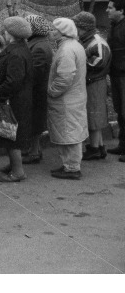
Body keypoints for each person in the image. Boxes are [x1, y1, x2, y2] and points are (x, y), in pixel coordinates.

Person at [0, 17, 34, 183]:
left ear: (12, 33)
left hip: (13, 100)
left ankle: (18, 171)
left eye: (5, 30)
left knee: (11, 134)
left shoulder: (16, 53)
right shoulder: (19, 49)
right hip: (17, 99)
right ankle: (14, 165)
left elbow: (14, 80)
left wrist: (0, 92)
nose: (3, 33)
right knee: (10, 133)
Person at [48, 18, 89, 179]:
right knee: (71, 131)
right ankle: (70, 165)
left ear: (63, 32)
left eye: (54, 30)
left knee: (69, 132)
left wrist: (52, 91)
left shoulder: (66, 50)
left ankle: (72, 168)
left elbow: (65, 77)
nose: (51, 32)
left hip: (66, 99)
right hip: (74, 97)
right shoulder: (74, 45)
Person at [74, 11, 111, 160]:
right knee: (93, 114)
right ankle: (99, 146)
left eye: (77, 27)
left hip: (95, 82)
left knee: (94, 115)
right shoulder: (86, 40)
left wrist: (79, 63)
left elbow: (98, 62)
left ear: (84, 28)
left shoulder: (97, 42)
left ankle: (95, 148)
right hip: (91, 82)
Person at [24, 15, 54, 163]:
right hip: (37, 91)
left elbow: (35, 73)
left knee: (34, 122)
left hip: (36, 92)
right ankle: (33, 150)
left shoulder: (39, 47)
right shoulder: (39, 43)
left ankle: (34, 152)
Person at [107, 0, 125, 159]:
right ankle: (122, 145)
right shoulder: (114, 25)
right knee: (120, 111)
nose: (107, 10)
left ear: (121, 10)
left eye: (111, 7)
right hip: (116, 74)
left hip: (123, 74)